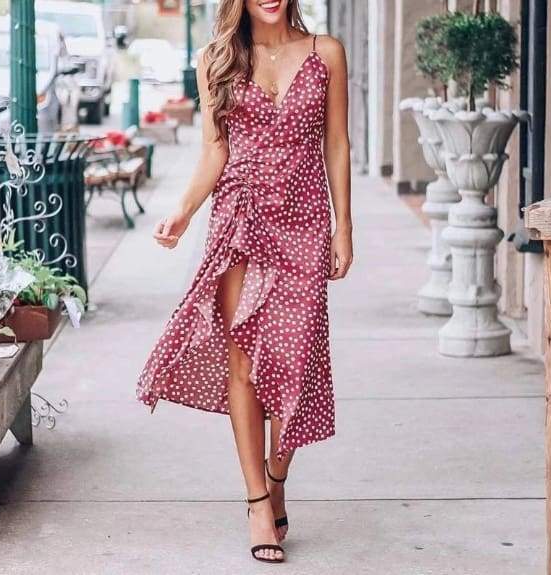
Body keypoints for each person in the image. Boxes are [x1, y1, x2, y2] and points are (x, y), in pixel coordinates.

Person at [137, 0, 352, 564]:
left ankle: (278, 471)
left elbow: (336, 142)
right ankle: (257, 498)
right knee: (243, 361)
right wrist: (183, 211)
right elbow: (215, 149)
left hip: (304, 221)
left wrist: (343, 226)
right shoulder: (216, 59)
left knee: (297, 356)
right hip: (240, 217)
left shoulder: (326, 53)